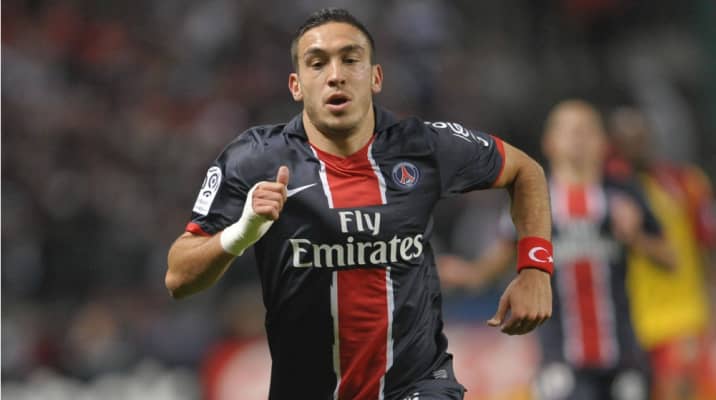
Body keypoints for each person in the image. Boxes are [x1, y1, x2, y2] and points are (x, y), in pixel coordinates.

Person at [166, 8, 554, 400]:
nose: (335, 75)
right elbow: (179, 278)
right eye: (317, 63)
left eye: (350, 60)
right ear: (296, 85)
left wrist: (535, 268)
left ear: (375, 77)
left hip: (417, 385)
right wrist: (241, 232)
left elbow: (526, 171)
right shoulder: (254, 159)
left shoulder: (423, 146)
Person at [438, 100, 675, 400]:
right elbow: (493, 267)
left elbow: (670, 259)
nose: (578, 138)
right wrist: (463, 273)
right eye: (569, 130)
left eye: (586, 130)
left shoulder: (624, 193)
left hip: (624, 357)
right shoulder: (531, 202)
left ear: (603, 143)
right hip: (561, 360)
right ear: (549, 142)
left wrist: (636, 237)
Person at [607, 107, 716, 400]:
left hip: (681, 317)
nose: (634, 145)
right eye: (625, 139)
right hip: (630, 324)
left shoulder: (685, 183)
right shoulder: (608, 193)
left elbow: (707, 247)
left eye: (640, 137)